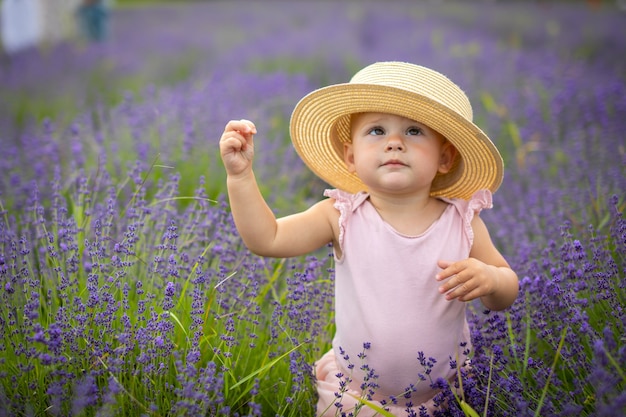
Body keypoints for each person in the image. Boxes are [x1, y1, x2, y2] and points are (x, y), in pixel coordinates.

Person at [219, 62, 519, 416]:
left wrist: (491, 279)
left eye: (414, 131)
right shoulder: (341, 215)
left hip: (445, 398)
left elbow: (507, 289)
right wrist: (240, 179)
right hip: (354, 395)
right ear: (351, 156)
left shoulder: (461, 222)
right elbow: (268, 239)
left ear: (445, 157)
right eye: (376, 130)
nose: (394, 143)